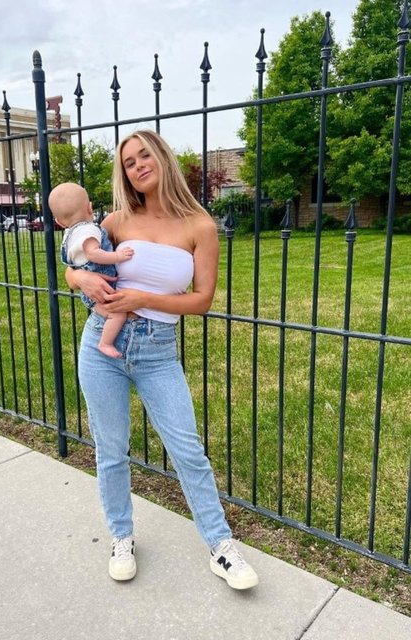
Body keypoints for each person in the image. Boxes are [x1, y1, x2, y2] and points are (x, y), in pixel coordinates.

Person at [64, 129, 258, 590]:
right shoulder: (115, 221)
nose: (138, 166)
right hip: (101, 347)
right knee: (111, 449)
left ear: (162, 157)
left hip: (157, 350)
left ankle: (221, 545)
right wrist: (78, 280)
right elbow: (76, 261)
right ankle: (121, 536)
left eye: (144, 155)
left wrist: (142, 298)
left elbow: (202, 300)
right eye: (129, 162)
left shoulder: (200, 226)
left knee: (187, 449)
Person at [49, 182, 134, 358]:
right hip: (102, 288)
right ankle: (105, 343)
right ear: (90, 207)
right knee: (118, 314)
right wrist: (118, 256)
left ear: (59, 222)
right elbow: (93, 253)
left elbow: (72, 265)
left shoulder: (69, 235)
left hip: (89, 291)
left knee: (112, 313)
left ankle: (105, 342)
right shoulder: (89, 230)